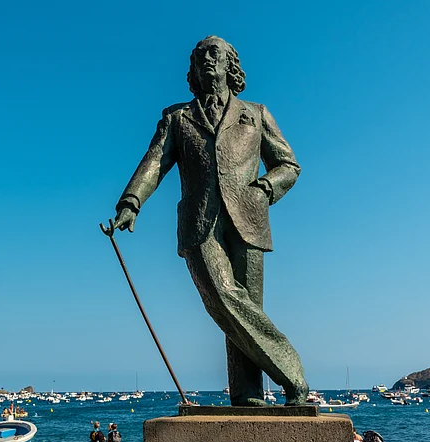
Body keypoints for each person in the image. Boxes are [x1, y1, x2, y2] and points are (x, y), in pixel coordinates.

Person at [111, 35, 308, 406]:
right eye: (199, 54)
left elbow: (288, 164)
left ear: (230, 63)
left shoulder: (257, 113)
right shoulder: (177, 117)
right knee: (222, 297)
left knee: (246, 308)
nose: (205, 58)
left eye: (213, 52)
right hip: (200, 223)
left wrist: (264, 188)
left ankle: (248, 395)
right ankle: (292, 373)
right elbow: (155, 162)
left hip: (249, 217)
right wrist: (131, 202)